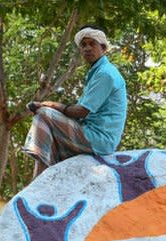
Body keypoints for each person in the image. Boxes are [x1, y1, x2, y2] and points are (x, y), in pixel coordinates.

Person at [23, 25, 127, 177]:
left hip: (98, 139)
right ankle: (41, 180)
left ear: (103, 48)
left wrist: (51, 105)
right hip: (90, 133)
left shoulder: (105, 74)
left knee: (43, 113)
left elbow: (80, 112)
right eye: (83, 45)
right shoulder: (97, 71)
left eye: (92, 44)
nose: (87, 48)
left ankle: (38, 178)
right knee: (46, 124)